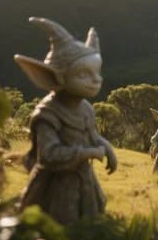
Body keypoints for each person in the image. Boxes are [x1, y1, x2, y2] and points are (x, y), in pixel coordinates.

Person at [14, 17, 117, 225]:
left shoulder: (85, 108)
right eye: (84, 74)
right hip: (54, 187)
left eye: (96, 72)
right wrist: (88, 153)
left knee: (89, 223)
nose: (96, 80)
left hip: (83, 181)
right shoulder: (48, 114)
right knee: (58, 226)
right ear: (55, 78)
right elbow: (49, 155)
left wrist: (106, 147)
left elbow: (90, 135)